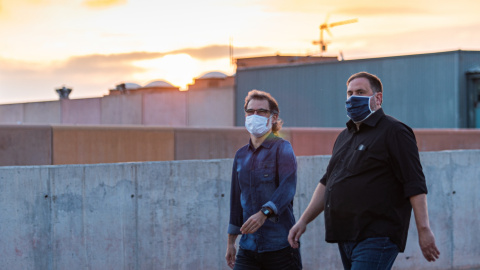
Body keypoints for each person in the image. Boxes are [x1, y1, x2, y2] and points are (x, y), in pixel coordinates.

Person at [288, 72, 440, 269]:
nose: (353, 98)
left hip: (377, 235)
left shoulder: (395, 131)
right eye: (350, 93)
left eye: (360, 92)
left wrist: (424, 229)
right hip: (346, 235)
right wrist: (303, 221)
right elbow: (329, 182)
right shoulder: (344, 136)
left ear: (378, 98)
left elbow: (414, 182)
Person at [226, 90, 302, 270]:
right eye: (250, 111)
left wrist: (264, 213)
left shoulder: (282, 148)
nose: (255, 116)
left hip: (280, 246)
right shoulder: (241, 155)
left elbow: (287, 189)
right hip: (248, 247)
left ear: (274, 117)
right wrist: (231, 242)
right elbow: (236, 201)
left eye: (261, 111)